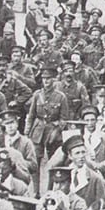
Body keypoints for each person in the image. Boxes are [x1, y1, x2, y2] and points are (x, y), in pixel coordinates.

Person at [25, 66, 70, 195]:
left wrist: (56, 130)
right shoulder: (37, 95)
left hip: (53, 132)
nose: (46, 81)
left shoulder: (60, 97)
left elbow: (64, 119)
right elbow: (31, 115)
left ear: (54, 80)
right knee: (35, 163)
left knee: (53, 163)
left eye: (49, 79)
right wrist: (27, 132)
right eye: (44, 79)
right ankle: (36, 191)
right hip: (38, 131)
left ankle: (50, 190)